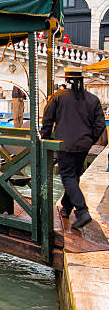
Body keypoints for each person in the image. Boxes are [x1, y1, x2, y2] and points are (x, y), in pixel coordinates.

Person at [40, 67, 106, 228]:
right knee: (74, 177)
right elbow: (100, 125)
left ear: (66, 80)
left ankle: (82, 211)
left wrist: (45, 139)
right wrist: (90, 140)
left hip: (65, 145)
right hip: (83, 145)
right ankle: (66, 207)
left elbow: (47, 120)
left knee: (68, 177)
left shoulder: (58, 97)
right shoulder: (93, 99)